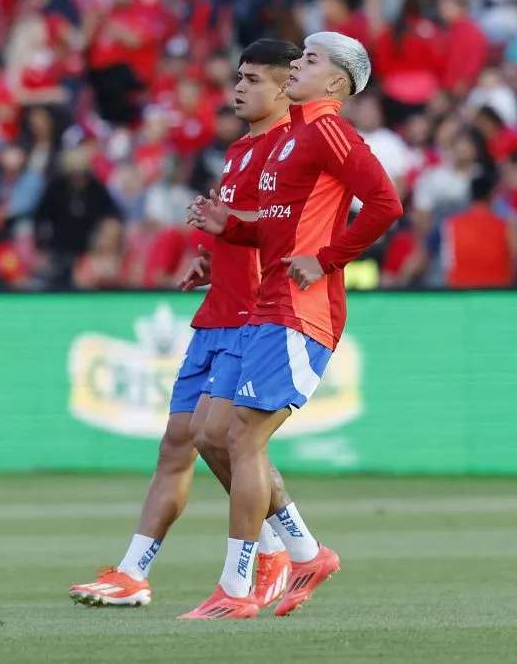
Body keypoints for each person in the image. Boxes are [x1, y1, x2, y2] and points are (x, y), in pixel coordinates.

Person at [68, 39, 310, 610]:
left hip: (255, 316)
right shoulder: (240, 151)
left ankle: (286, 548)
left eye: (254, 79)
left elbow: (288, 228)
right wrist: (211, 258)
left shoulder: (291, 151)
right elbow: (241, 229)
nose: (240, 87)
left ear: (284, 88)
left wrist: (237, 244)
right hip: (218, 310)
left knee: (226, 440)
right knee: (179, 442)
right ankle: (134, 572)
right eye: (239, 77)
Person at [183, 32, 403, 619]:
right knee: (215, 434)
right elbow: (279, 226)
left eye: (309, 60)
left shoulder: (330, 128)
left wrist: (329, 259)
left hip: (301, 308)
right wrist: (229, 226)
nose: (296, 67)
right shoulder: (296, 137)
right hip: (268, 303)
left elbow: (385, 203)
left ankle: (238, 587)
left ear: (336, 83)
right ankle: (303, 552)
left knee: (243, 437)